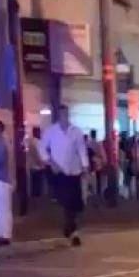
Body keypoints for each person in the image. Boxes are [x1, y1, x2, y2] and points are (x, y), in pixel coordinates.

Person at [40, 104, 88, 245]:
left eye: (66, 114)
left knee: (74, 203)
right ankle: (71, 229)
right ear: (58, 116)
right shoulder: (51, 131)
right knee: (65, 201)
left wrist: (85, 166)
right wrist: (50, 162)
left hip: (74, 171)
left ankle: (71, 228)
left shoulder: (76, 131)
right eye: (62, 114)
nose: (64, 117)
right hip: (59, 172)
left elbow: (81, 150)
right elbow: (42, 148)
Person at [28, 125, 47, 199]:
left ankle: (35, 196)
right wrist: (41, 164)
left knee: (34, 182)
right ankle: (37, 196)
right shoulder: (37, 142)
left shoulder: (31, 141)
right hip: (37, 165)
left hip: (32, 165)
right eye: (39, 132)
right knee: (37, 182)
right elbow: (37, 155)